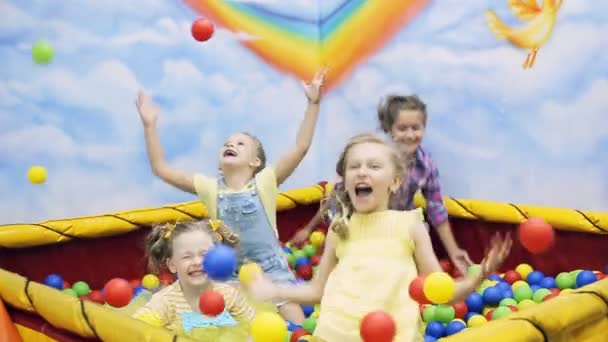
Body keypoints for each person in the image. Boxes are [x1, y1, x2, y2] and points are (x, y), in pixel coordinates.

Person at [249, 134, 512, 341]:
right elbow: (318, 290)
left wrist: (478, 276)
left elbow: (439, 291)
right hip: (335, 336)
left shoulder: (409, 226)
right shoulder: (340, 229)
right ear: (346, 180)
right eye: (354, 166)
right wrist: (276, 290)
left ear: (395, 182)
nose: (362, 172)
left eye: (374, 166)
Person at [135, 68, 328, 323]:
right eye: (227, 143)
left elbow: (301, 147)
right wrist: (150, 126)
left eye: (240, 144)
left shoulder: (264, 183)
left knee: (298, 326)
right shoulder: (210, 188)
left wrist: (313, 103)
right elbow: (161, 169)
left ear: (255, 161)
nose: (230, 145)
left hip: (271, 269)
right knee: (225, 323)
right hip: (228, 271)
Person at [292, 95, 472, 275]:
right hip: (362, 226)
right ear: (390, 129)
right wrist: (309, 229)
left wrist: (454, 251)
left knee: (417, 233)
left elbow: (436, 209)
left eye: (416, 128)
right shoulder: (373, 157)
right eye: (402, 128)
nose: (410, 135)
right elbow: (336, 197)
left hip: (397, 228)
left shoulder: (425, 165)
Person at [132, 221, 255, 339]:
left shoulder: (229, 295)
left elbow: (254, 328)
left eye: (205, 254)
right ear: (172, 265)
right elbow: (132, 331)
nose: (197, 262)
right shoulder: (165, 302)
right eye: (187, 256)